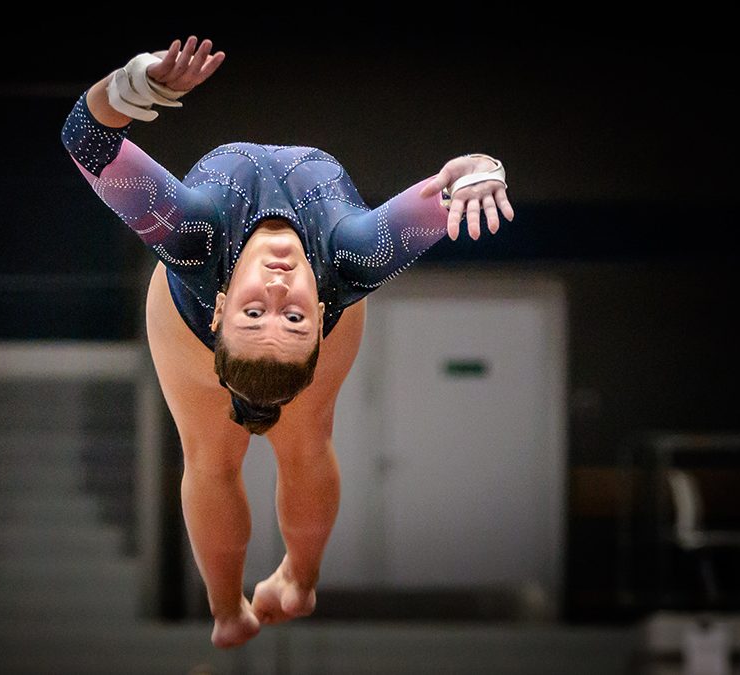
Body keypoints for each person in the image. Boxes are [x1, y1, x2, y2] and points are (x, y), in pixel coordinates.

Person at [61, 36, 514, 648]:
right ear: (320, 315)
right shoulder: (355, 257)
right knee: (302, 444)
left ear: (222, 307)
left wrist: (135, 84)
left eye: (254, 312)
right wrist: (480, 171)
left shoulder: (192, 235)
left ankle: (238, 608)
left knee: (212, 460)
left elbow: (85, 138)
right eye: (294, 317)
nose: (277, 288)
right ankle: (280, 589)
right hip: (279, 327)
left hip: (187, 331)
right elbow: (459, 183)